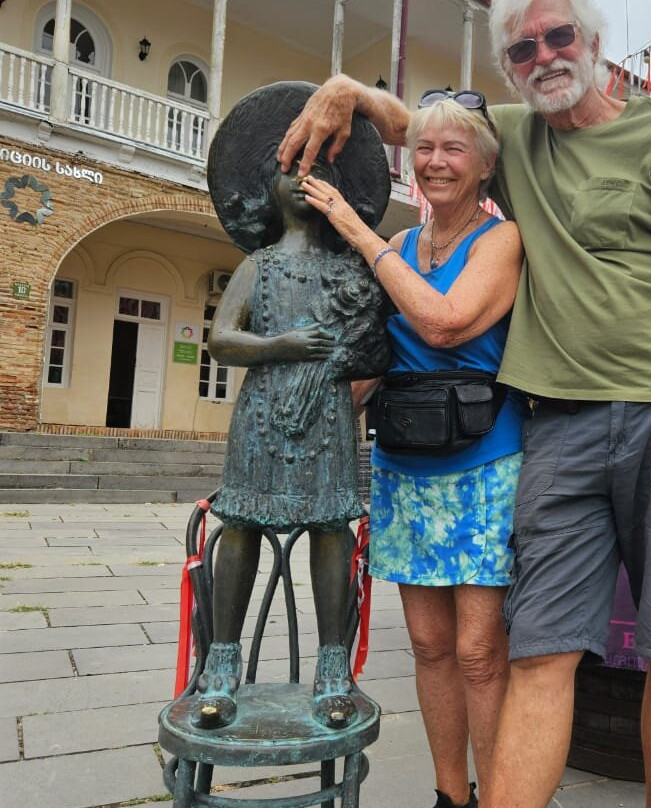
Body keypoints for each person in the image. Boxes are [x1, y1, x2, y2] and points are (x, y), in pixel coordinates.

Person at [278, 0, 651, 804]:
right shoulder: (516, 135)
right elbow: (416, 130)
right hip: (559, 422)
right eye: (524, 47)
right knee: (538, 646)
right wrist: (343, 89)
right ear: (508, 68)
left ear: (595, 45)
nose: (544, 55)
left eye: (560, 36)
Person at [299, 92, 525, 808]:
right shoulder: (400, 249)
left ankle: (498, 797)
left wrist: (360, 236)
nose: (434, 162)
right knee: (429, 647)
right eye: (424, 148)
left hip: (484, 464)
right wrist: (308, 411)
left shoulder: (501, 242)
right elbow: (375, 360)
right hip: (404, 464)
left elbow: (444, 324)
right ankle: (448, 795)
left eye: (454, 149)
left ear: (484, 166)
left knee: (480, 652)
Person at [197, 81, 392, 732]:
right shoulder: (259, 265)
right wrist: (280, 344)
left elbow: (374, 351)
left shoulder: (349, 271)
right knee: (243, 527)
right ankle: (221, 662)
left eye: (318, 172)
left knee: (332, 529)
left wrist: (345, 353)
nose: (304, 181)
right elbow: (222, 338)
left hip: (329, 420)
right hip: (261, 417)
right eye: (292, 171)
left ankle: (333, 665)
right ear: (266, 192)